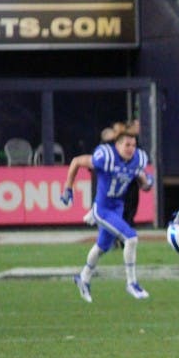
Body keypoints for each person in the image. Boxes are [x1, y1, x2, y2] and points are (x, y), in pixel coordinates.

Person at [61, 122, 154, 301]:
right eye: (127, 145)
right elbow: (76, 161)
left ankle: (83, 278)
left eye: (133, 145)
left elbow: (144, 181)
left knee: (102, 246)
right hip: (102, 208)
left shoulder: (138, 159)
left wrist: (147, 182)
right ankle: (131, 283)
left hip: (117, 208)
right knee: (131, 238)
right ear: (117, 145)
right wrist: (68, 188)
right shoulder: (106, 156)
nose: (131, 149)